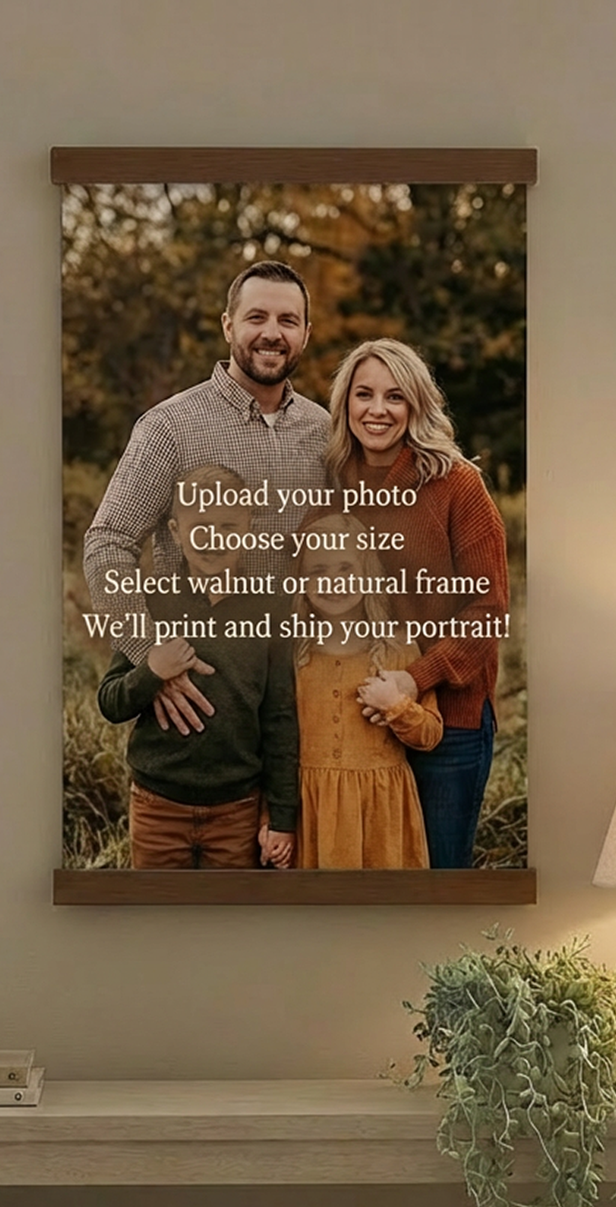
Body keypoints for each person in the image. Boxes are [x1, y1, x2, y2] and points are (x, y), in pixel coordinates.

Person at [83, 260, 330, 738]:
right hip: (203, 700)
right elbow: (108, 542)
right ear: (228, 325)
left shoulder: (324, 431)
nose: (271, 333)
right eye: (256, 317)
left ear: (306, 333)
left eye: (288, 321)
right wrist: (151, 654)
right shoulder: (171, 426)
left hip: (302, 695)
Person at [324, 338, 510, 869]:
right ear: (345, 405)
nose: (377, 410)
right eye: (364, 395)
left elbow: (488, 610)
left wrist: (415, 678)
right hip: (363, 716)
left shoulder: (458, 485)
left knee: (438, 883)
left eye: (394, 397)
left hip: (449, 721)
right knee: (374, 881)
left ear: (416, 406)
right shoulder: (332, 484)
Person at [96, 464, 297, 870]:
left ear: (248, 528)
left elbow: (280, 719)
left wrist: (282, 816)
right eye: (200, 526)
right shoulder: (153, 604)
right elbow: (111, 701)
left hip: (237, 808)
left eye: (227, 526)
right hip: (158, 806)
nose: (213, 539)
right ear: (174, 531)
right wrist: (152, 670)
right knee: (157, 921)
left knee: (229, 924)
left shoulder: (270, 609)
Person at [289, 510, 442, 869]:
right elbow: (274, 744)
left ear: (368, 574)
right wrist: (272, 817)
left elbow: (431, 733)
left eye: (346, 568)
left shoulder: (399, 649)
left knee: (383, 916)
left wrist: (398, 707)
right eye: (318, 571)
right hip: (312, 808)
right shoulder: (294, 654)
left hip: (382, 810)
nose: (334, 581)